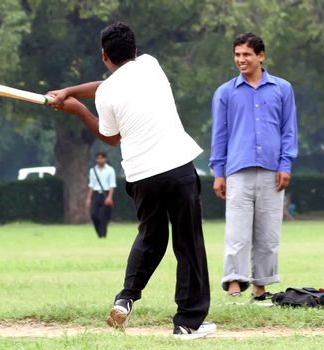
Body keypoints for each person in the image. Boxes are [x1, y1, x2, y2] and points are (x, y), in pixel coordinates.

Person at [46, 22, 215, 339]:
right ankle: (188, 322)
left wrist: (79, 110)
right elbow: (110, 84)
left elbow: (110, 138)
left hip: (141, 177)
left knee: (151, 238)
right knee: (187, 241)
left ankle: (126, 297)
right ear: (134, 49)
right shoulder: (151, 64)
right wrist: (71, 93)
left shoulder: (107, 94)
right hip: (177, 167)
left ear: (104, 55)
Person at [209, 33, 297, 302]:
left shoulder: (282, 89)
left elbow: (288, 130)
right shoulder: (225, 92)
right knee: (237, 230)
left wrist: (285, 165)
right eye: (237, 54)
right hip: (237, 170)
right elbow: (219, 134)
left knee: (268, 232)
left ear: (261, 55)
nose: (241, 60)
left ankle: (261, 285)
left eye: (246, 54)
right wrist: (218, 172)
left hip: (272, 170)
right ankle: (234, 282)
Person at [86, 151, 116, 238]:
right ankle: (100, 232)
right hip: (96, 194)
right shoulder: (93, 170)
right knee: (93, 214)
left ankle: (102, 235)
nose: (100, 160)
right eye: (98, 158)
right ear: (96, 159)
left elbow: (112, 185)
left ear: (105, 159)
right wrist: (88, 198)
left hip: (106, 194)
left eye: (102, 158)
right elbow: (91, 185)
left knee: (104, 215)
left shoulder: (110, 170)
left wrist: (109, 197)